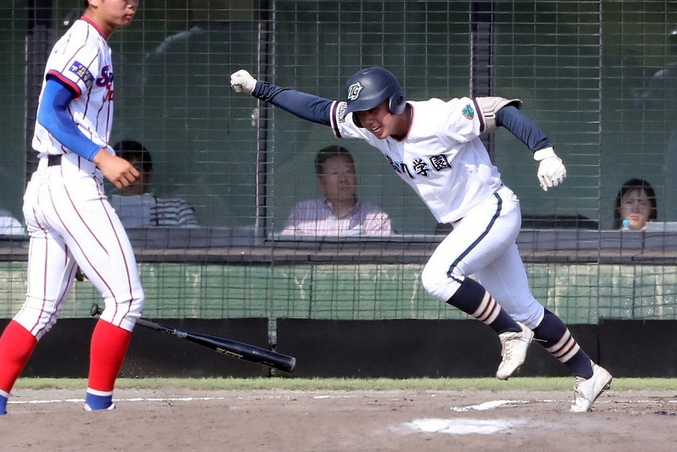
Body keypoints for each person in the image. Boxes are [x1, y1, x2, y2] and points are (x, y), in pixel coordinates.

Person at [230, 66, 613, 412]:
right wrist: (259, 89)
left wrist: (543, 152)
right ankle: (588, 372)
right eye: (361, 112)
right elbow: (315, 108)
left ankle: (510, 332)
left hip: (492, 208)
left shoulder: (440, 117)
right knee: (525, 307)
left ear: (395, 101)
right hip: (467, 225)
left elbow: (502, 110)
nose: (368, 119)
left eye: (374, 109)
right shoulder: (368, 127)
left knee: (438, 277)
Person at [0, 0, 152, 414]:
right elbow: (49, 111)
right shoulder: (84, 41)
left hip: (49, 186)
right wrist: (103, 156)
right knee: (126, 298)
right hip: (70, 181)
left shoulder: (94, 42)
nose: (131, 0)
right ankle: (98, 415)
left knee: (40, 309)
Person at [280, 145, 393, 237]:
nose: (343, 179)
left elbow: (380, 258)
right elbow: (287, 250)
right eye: (335, 173)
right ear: (321, 182)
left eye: (348, 172)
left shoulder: (375, 216)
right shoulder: (303, 211)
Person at [110, 140, 199, 228]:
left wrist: (156, 236)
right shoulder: (102, 211)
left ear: (148, 173)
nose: (129, 177)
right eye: (122, 171)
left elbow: (196, 240)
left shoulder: (178, 209)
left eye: (136, 169)